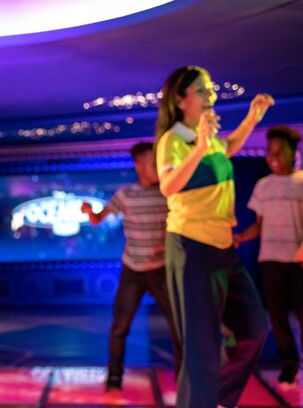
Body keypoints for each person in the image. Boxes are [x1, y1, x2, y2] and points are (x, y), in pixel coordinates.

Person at [155, 65, 272, 408]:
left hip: (223, 247)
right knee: (201, 346)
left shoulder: (208, 137)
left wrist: (251, 118)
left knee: (254, 329)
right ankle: (202, 399)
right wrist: (200, 145)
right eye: (202, 91)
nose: (211, 96)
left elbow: (228, 147)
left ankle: (210, 396)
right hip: (191, 248)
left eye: (210, 90)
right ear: (181, 100)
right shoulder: (172, 140)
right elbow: (168, 186)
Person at [80, 142, 181, 390]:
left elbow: (181, 228)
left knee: (179, 324)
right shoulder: (126, 193)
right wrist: (89, 211)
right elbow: (97, 220)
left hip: (160, 269)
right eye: (152, 163)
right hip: (133, 270)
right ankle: (114, 378)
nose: (158, 168)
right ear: (138, 166)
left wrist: (169, 245)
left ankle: (184, 376)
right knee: (120, 326)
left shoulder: (168, 193)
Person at [234, 125, 303, 384]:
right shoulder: (263, 186)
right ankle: (289, 364)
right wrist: (241, 236)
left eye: (279, 152)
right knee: (276, 315)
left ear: (292, 152)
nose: (273, 157)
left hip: (298, 260)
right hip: (270, 258)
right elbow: (259, 225)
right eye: (269, 152)